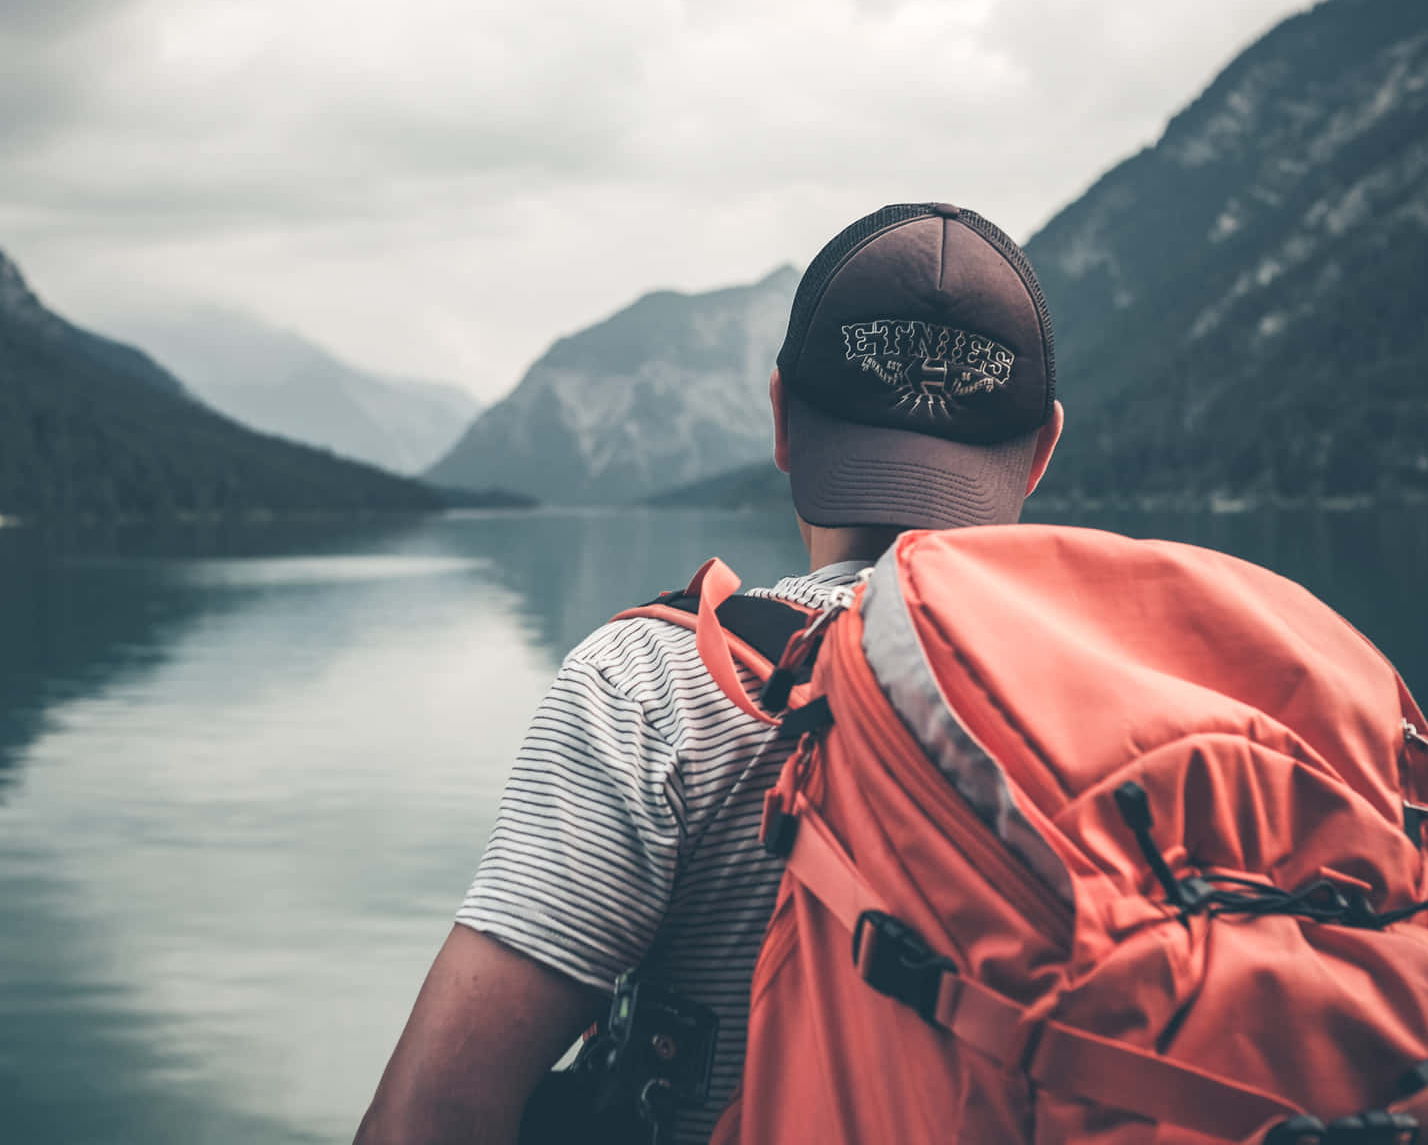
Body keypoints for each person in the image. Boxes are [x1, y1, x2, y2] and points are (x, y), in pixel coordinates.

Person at [355, 202, 1065, 1145]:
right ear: (1041, 452)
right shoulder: (1148, 704)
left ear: (780, 420)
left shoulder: (651, 685)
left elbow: (430, 1120)